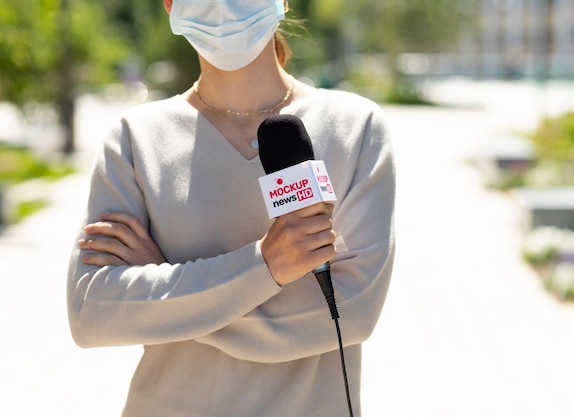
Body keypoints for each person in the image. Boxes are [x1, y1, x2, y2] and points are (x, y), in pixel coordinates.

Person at [66, 1, 395, 416]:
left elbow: (350, 315)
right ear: (170, 3)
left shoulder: (354, 127)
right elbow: (91, 314)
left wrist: (166, 288)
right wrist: (266, 267)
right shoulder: (134, 138)